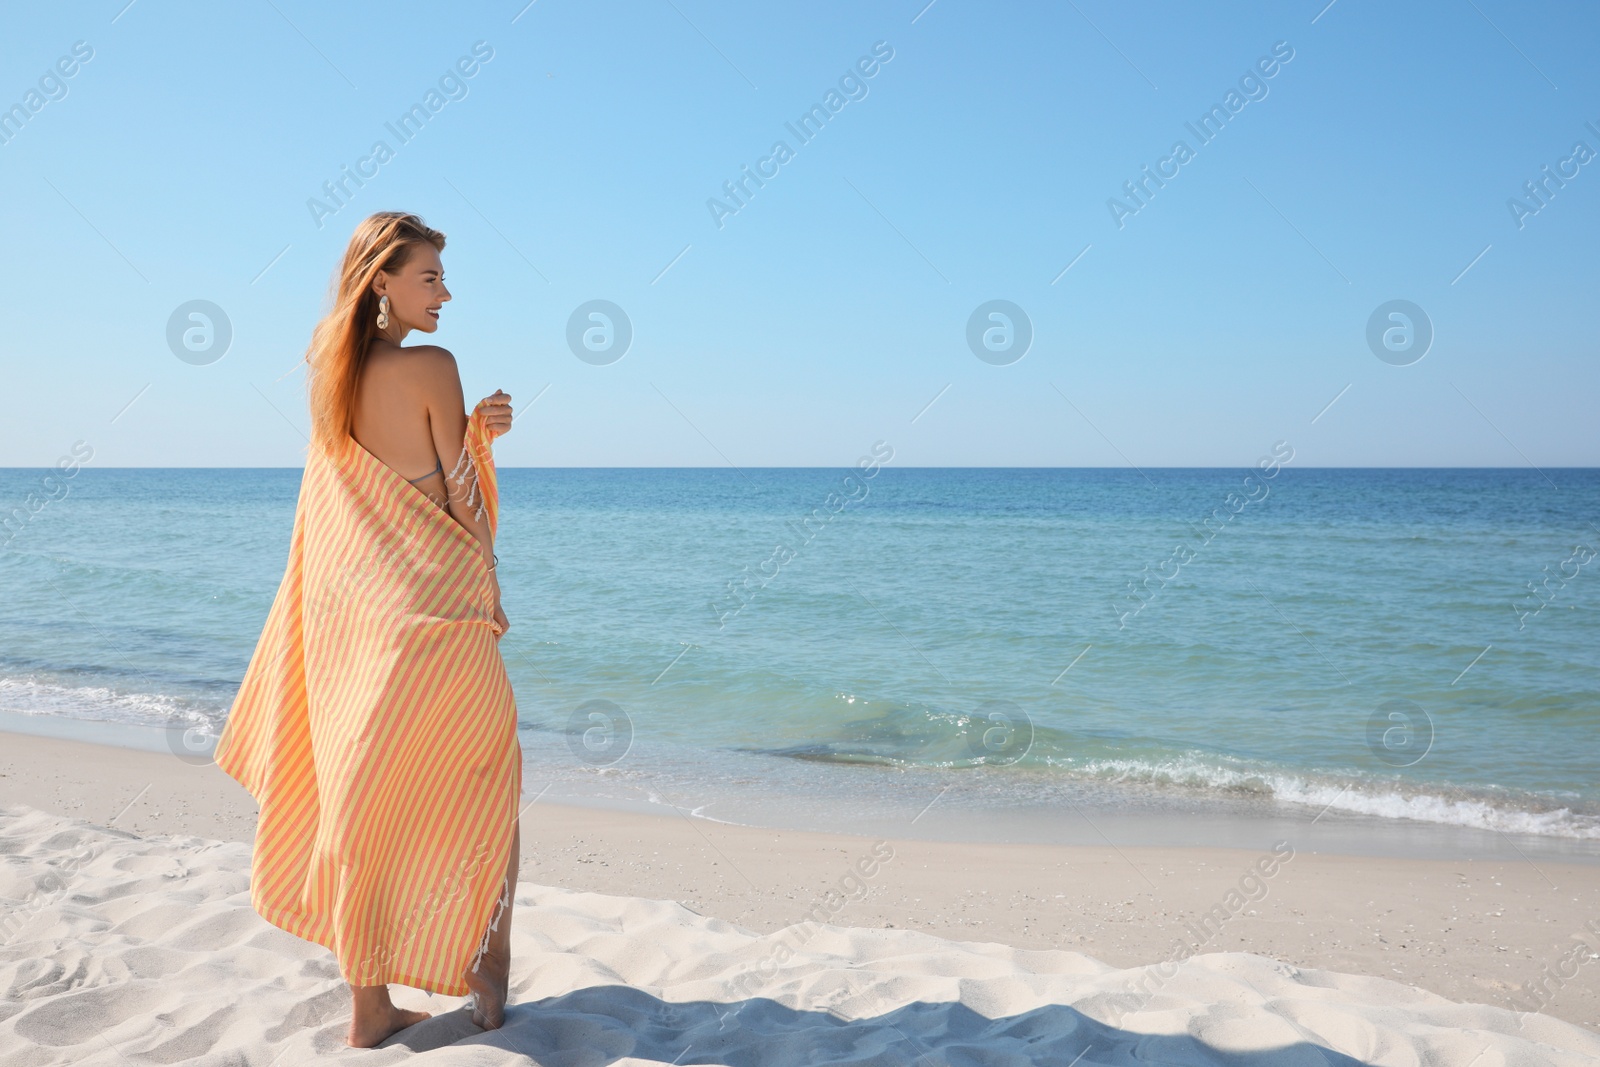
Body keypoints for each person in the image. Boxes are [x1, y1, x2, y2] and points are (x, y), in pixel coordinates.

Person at [214, 211, 523, 1048]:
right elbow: (459, 502)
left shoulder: (326, 364)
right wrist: (482, 459)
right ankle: (486, 969)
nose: (445, 294)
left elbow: (352, 488)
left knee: (365, 804)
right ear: (382, 280)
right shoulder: (435, 365)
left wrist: (469, 432)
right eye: (430, 277)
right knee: (488, 781)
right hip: (441, 616)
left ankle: (371, 1008)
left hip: (361, 625)